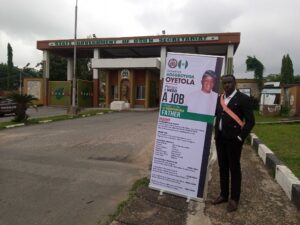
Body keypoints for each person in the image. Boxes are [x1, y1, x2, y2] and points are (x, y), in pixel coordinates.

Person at [213, 74, 255, 212]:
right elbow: (214, 115)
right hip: (220, 139)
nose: (226, 85)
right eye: (224, 83)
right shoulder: (220, 99)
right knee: (222, 167)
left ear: (235, 83)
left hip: (234, 141)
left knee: (234, 169)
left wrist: (240, 138)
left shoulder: (243, 99)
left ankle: (234, 199)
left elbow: (250, 121)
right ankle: (224, 195)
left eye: (229, 82)